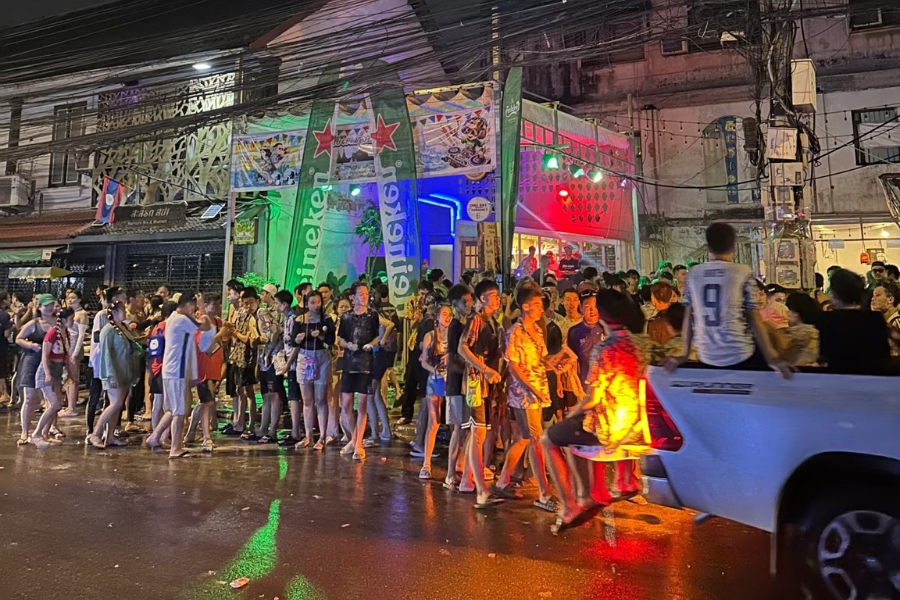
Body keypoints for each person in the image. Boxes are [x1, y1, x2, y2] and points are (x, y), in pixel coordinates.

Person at [541, 289, 647, 534]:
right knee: (575, 432)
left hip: (611, 425)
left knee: (550, 438)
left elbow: (593, 398)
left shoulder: (604, 349)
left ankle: (572, 504)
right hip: (638, 422)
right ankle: (613, 483)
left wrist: (572, 415)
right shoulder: (643, 344)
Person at [664, 223, 791, 377]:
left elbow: (689, 317)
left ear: (708, 247)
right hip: (740, 353)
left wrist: (684, 354)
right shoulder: (743, 272)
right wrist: (772, 357)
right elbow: (754, 318)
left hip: (707, 355)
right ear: (734, 246)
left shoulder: (694, 274)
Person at [493, 284, 558, 513]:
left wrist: (557, 364)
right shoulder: (515, 332)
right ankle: (544, 493)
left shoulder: (537, 330)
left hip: (538, 392)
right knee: (535, 439)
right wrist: (531, 388)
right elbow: (513, 366)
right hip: (524, 395)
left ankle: (502, 482)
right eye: (537, 304)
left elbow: (542, 360)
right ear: (525, 306)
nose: (541, 308)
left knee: (523, 438)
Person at [144, 293, 211, 458]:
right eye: (193, 308)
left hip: (170, 370)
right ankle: (176, 448)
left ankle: (154, 437)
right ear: (189, 306)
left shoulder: (174, 318)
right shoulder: (181, 319)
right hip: (176, 371)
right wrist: (203, 308)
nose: (194, 311)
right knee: (180, 412)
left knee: (172, 409)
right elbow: (204, 327)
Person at [459, 279, 504, 509]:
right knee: (478, 434)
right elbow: (462, 347)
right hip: (476, 383)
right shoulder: (476, 320)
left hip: (486, 384)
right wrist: (484, 369)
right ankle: (481, 491)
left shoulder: (493, 322)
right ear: (483, 298)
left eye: (498, 295)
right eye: (493, 295)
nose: (497, 299)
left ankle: (467, 480)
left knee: (480, 434)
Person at [336, 281, 380, 460]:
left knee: (362, 404)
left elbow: (377, 337)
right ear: (353, 297)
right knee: (346, 404)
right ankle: (354, 439)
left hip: (366, 365)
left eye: (366, 294)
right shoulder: (346, 317)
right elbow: (340, 340)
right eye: (361, 294)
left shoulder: (372, 315)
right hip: (349, 364)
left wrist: (371, 344)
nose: (365, 297)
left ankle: (359, 443)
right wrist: (348, 345)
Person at [817, 268, 891, 374]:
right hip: (872, 376)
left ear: (834, 294)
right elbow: (883, 353)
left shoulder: (828, 320)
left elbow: (824, 355)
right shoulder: (875, 319)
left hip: (838, 376)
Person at [89, 302, 141, 449]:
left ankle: (110, 436)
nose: (125, 312)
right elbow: (105, 354)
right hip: (113, 372)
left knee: (118, 405)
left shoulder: (123, 328)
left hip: (124, 371)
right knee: (115, 403)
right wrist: (111, 374)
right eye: (123, 310)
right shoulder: (108, 330)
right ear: (115, 312)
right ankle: (96, 434)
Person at [293, 289, 335, 450]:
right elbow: (292, 341)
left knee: (321, 399)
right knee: (307, 400)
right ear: (306, 304)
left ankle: (322, 437)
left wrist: (322, 335)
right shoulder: (300, 319)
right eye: (312, 303)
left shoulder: (327, 319)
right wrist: (298, 339)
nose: (316, 305)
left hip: (322, 356)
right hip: (305, 357)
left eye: (318, 302)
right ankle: (308, 436)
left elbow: (331, 340)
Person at [185, 293, 228, 451]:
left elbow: (220, 345)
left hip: (213, 366)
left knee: (206, 402)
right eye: (214, 304)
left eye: (219, 304)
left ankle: (192, 433)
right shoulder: (201, 323)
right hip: (202, 367)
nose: (217, 307)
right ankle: (205, 436)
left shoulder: (218, 322)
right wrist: (220, 335)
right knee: (206, 402)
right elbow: (204, 347)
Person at [16, 295, 57, 446]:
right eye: (46, 305)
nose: (50, 307)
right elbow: (18, 338)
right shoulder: (34, 323)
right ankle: (25, 433)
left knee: (51, 400)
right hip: (32, 361)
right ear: (39, 307)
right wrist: (31, 345)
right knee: (29, 398)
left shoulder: (57, 322)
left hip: (51, 363)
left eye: (51, 304)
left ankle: (44, 433)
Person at [30, 305, 75, 447]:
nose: (73, 321)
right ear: (63, 320)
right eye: (71, 319)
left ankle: (45, 434)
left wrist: (70, 372)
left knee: (54, 405)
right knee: (54, 404)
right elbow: (45, 355)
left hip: (57, 371)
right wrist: (48, 374)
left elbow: (65, 356)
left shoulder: (65, 334)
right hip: (47, 370)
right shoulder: (52, 333)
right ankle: (36, 434)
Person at [443, 284, 474, 490]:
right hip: (456, 384)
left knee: (465, 429)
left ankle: (459, 467)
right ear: (455, 304)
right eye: (465, 301)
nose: (469, 304)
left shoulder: (466, 323)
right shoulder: (455, 327)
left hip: (464, 383)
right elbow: (451, 358)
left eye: (471, 300)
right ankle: (450, 473)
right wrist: (469, 367)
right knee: (458, 429)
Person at [418, 304, 452, 480]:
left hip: (451, 381)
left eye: (450, 314)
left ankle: (455, 464)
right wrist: (435, 371)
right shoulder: (430, 336)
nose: (447, 317)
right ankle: (426, 463)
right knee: (434, 422)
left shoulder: (454, 336)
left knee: (454, 423)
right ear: (437, 317)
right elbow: (424, 361)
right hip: (436, 381)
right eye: (444, 314)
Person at [223, 288, 260, 437]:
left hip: (247, 358)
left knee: (248, 392)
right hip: (237, 357)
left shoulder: (255, 317)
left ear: (257, 301)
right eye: (245, 302)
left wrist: (235, 333)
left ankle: (250, 425)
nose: (247, 305)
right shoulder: (241, 314)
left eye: (250, 302)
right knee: (239, 390)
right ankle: (239, 423)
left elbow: (248, 339)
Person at [255, 286, 285, 444]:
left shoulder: (274, 312)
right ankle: (263, 428)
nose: (262, 296)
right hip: (265, 356)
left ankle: (272, 430)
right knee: (266, 394)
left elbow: (275, 333)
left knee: (274, 394)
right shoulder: (264, 311)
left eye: (264, 293)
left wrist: (268, 353)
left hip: (275, 357)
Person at [59, 290, 88, 418]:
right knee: (68, 377)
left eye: (73, 298)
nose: (70, 300)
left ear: (79, 299)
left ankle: (72, 407)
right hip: (67, 347)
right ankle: (70, 405)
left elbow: (81, 336)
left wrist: (74, 353)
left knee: (72, 378)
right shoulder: (68, 313)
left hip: (74, 348)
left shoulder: (81, 314)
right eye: (68, 298)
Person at [774, 293, 820, 366]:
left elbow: (779, 347)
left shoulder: (803, 332)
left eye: (789, 310)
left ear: (797, 314)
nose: (787, 313)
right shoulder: (813, 331)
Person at [0, 291, 12, 405]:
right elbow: (6, 334)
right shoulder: (4, 315)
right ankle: (3, 393)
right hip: (1, 346)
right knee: (2, 370)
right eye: (9, 298)